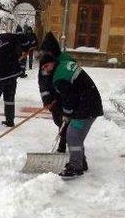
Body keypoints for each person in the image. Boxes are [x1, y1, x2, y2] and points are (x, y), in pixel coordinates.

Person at [39, 49, 103, 179]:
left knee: (73, 135)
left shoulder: (59, 77)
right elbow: (71, 92)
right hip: (88, 102)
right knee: (75, 135)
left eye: (46, 66)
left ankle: (76, 167)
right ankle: (80, 163)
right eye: (43, 68)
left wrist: (66, 115)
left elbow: (69, 98)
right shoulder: (63, 64)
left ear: (52, 63)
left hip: (87, 106)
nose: (45, 70)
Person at [39, 32, 67, 153]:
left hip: (66, 96)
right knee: (58, 121)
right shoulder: (45, 62)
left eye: (48, 51)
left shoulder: (63, 60)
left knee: (65, 123)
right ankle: (63, 142)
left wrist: (62, 95)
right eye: (45, 51)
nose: (46, 53)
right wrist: (47, 99)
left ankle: (63, 146)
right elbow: (43, 83)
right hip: (53, 98)